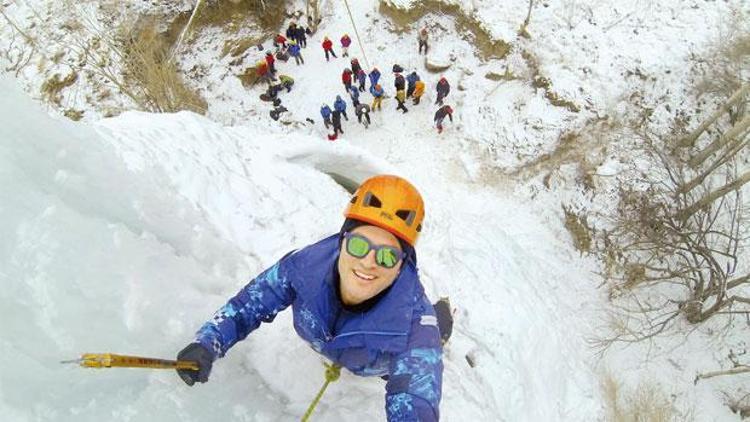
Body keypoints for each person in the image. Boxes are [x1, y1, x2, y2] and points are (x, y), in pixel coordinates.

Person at [176, 174, 447, 421]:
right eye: (358, 244)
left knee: (429, 339)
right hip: (344, 347)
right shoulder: (302, 268)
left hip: (378, 362)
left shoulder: (416, 331)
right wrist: (208, 342)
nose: (368, 262)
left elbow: (417, 396)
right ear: (341, 241)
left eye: (388, 256)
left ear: (402, 265)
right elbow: (249, 305)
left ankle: (442, 319)